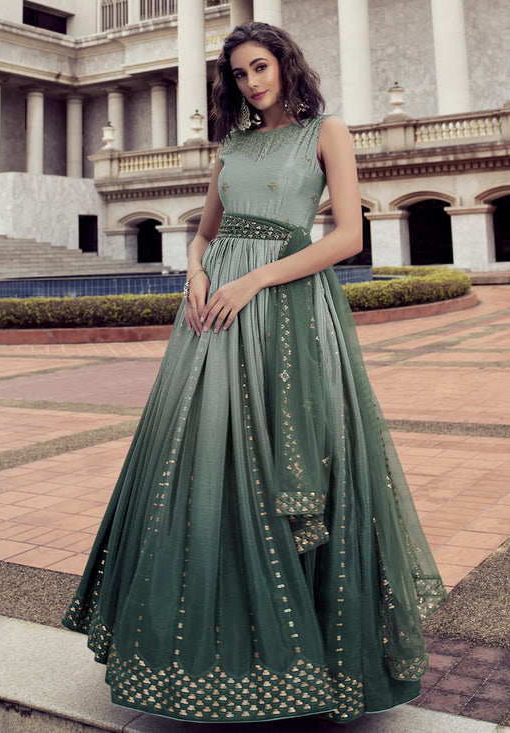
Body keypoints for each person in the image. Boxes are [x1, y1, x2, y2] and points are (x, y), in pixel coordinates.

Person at [63, 22, 447, 724]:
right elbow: (206, 231)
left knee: (287, 461)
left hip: (289, 311)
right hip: (212, 322)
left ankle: (315, 662)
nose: (251, 82)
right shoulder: (232, 146)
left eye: (260, 66)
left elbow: (348, 236)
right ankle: (205, 654)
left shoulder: (325, 131)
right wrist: (199, 273)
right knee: (203, 460)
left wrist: (255, 280)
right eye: (239, 74)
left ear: (284, 65)